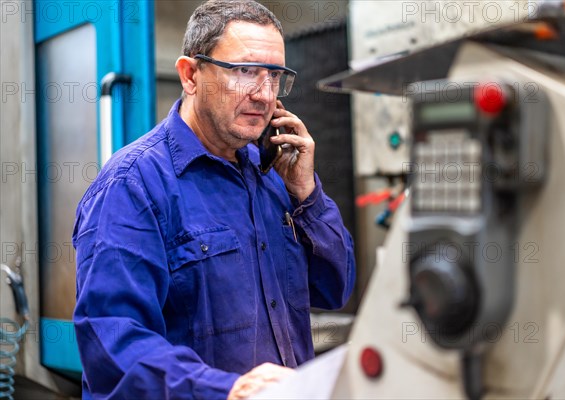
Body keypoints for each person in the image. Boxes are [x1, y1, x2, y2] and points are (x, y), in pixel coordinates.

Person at [72, 0, 356, 398]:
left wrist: (307, 196)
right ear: (190, 75)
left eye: (274, 75)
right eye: (244, 71)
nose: (263, 94)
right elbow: (113, 343)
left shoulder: (272, 173)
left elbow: (335, 288)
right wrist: (226, 389)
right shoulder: (133, 185)